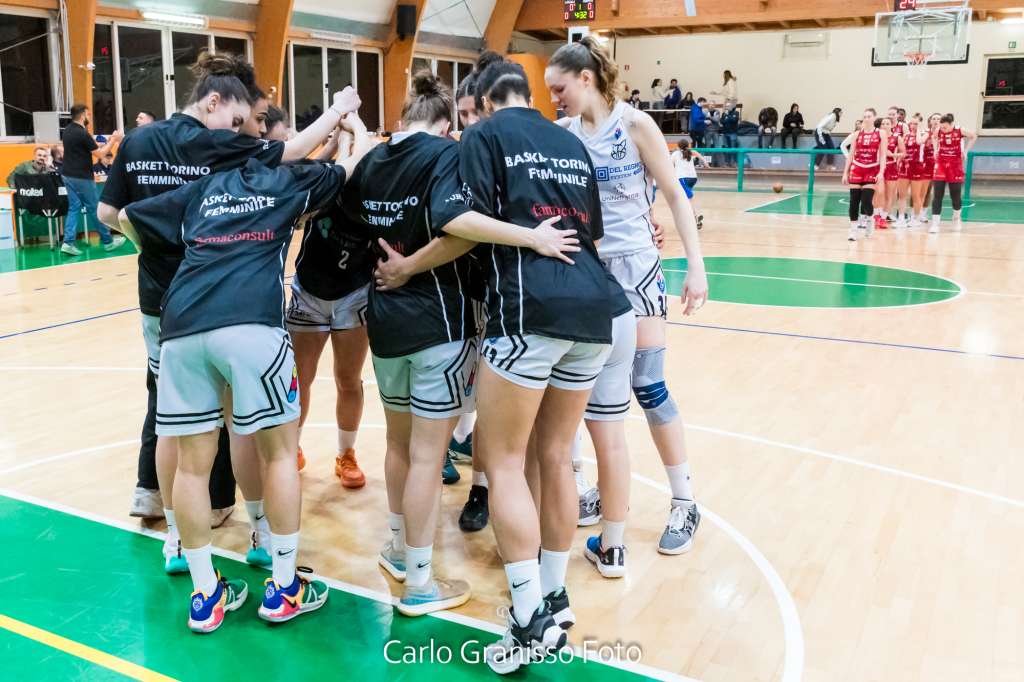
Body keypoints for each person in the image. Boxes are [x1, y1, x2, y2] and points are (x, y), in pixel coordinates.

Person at [97, 50, 363, 571]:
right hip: (233, 299)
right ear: (214, 102)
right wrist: (339, 114)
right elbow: (297, 154)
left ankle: (173, 532)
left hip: (167, 305)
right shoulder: (227, 150)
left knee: (171, 422)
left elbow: (113, 212)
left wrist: (153, 247)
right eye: (238, 120)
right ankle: (265, 538)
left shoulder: (141, 140)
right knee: (247, 424)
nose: (242, 132)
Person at [351, 71, 580, 620]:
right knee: (430, 457)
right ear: (449, 121)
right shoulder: (447, 156)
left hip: (382, 323)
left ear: (404, 117)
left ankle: (400, 547)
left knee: (398, 446)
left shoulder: (370, 162)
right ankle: (420, 582)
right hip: (438, 323)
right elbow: (461, 229)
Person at [546, 38, 708, 577]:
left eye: (560, 87)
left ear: (586, 79)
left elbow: (675, 195)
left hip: (636, 268)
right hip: (589, 273)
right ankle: (598, 488)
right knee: (585, 390)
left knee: (648, 385)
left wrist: (696, 267)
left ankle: (684, 501)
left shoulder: (635, 125)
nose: (555, 99)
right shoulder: (564, 135)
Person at [59, 104, 125, 256]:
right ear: (82, 115)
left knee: (74, 207)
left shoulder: (68, 130)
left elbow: (83, 149)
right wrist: (114, 140)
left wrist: (107, 142)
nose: (89, 117)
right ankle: (108, 241)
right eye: (88, 114)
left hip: (67, 174)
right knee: (94, 208)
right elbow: (101, 154)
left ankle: (68, 243)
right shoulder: (82, 133)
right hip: (81, 177)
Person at [842, 108, 886, 242]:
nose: (866, 118)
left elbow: (883, 155)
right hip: (857, 168)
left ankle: (870, 219)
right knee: (853, 201)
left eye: (869, 116)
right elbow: (851, 154)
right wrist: (845, 172)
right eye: (865, 116)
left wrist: (881, 172)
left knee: (867, 201)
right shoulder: (856, 134)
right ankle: (853, 231)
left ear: (874, 118)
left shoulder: (881, 133)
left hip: (872, 168)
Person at [929, 113, 976, 234]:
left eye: (945, 127)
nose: (943, 129)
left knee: (955, 195)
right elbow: (934, 137)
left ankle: (956, 218)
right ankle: (935, 223)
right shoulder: (939, 130)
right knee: (937, 194)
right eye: (941, 127)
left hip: (955, 165)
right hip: (941, 164)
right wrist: (935, 150)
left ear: (951, 125)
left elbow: (973, 136)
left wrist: (965, 150)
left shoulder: (960, 130)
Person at [671, 138, 708, 229]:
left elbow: (670, 164)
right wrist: (706, 163)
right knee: (684, 199)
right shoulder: (691, 152)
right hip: (693, 178)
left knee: (689, 199)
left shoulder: (676, 154)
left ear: (678, 146)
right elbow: (700, 156)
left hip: (682, 179)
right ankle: (688, 219)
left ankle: (696, 216)